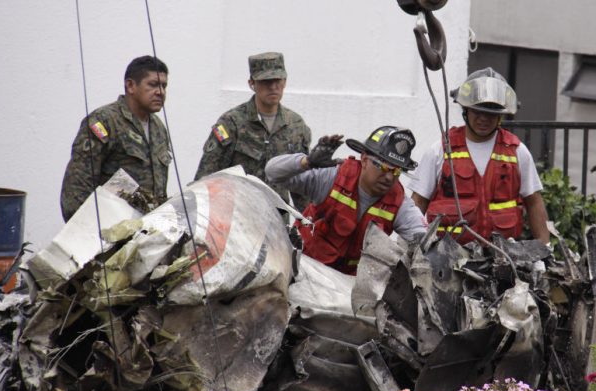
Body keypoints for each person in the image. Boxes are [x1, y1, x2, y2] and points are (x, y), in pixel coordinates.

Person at [408, 68, 550, 245]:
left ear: (500, 116)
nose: (484, 118)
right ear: (465, 110)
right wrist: (409, 249)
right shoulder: (440, 151)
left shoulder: (517, 151)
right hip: (446, 259)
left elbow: (534, 202)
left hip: (503, 256)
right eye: (477, 112)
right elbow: (418, 203)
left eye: (491, 113)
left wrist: (545, 251)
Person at [265, 126, 426, 274]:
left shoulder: (400, 204)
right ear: (364, 160)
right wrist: (307, 162)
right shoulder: (332, 178)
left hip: (348, 287)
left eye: (397, 171)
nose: (390, 177)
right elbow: (272, 172)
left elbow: (423, 242)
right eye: (384, 168)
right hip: (302, 270)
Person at [60, 56, 170, 221]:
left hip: (146, 234)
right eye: (153, 85)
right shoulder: (105, 121)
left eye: (164, 86)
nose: (160, 92)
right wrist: (88, 232)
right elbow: (76, 189)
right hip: (109, 232)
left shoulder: (158, 128)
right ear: (131, 86)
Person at [195, 52, 311, 205]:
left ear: (285, 81)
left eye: (278, 80)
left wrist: (309, 225)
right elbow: (207, 178)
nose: (273, 87)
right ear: (252, 84)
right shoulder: (232, 123)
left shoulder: (295, 125)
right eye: (266, 81)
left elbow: (301, 186)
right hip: (240, 218)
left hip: (277, 219)